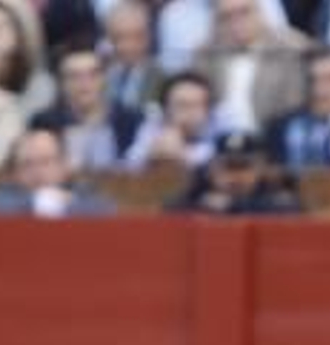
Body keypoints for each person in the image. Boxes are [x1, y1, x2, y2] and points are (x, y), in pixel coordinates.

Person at [196, 0, 314, 134]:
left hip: (273, 140)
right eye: (226, 17)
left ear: (260, 12)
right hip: (218, 142)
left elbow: (295, 107)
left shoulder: (291, 49)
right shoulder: (206, 55)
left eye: (244, 12)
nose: (236, 22)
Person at [29, 48, 145, 170]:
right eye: (74, 76)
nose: (84, 83)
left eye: (93, 74)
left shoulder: (132, 120)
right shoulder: (43, 124)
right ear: (60, 82)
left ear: (105, 78)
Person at [0, 126, 115, 215]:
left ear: (64, 165)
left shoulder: (82, 192)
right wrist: (40, 201)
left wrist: (70, 203)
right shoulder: (3, 196)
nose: (37, 171)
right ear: (14, 173)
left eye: (46, 162)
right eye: (27, 164)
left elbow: (106, 210)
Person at [165, 127, 304, 212]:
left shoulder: (273, 188)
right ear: (212, 169)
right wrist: (203, 204)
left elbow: (292, 208)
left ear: (260, 169)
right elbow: (171, 209)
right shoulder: (201, 188)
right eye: (228, 166)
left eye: (244, 166)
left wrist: (232, 206)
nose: (236, 176)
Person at [123, 69, 219, 168]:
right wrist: (152, 154)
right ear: (165, 109)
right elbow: (129, 162)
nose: (191, 113)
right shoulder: (152, 128)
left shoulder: (218, 131)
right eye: (183, 105)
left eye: (197, 105)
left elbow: (213, 158)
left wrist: (181, 155)